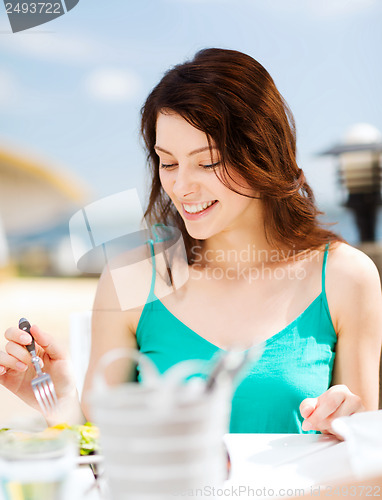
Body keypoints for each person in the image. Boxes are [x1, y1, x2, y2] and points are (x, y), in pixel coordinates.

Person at [0, 48, 381, 434]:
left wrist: (350, 424)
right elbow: (101, 449)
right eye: (168, 162)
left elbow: (362, 465)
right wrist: (61, 403)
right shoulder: (129, 279)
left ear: (263, 152)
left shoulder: (344, 277)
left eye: (208, 162)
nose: (181, 186)